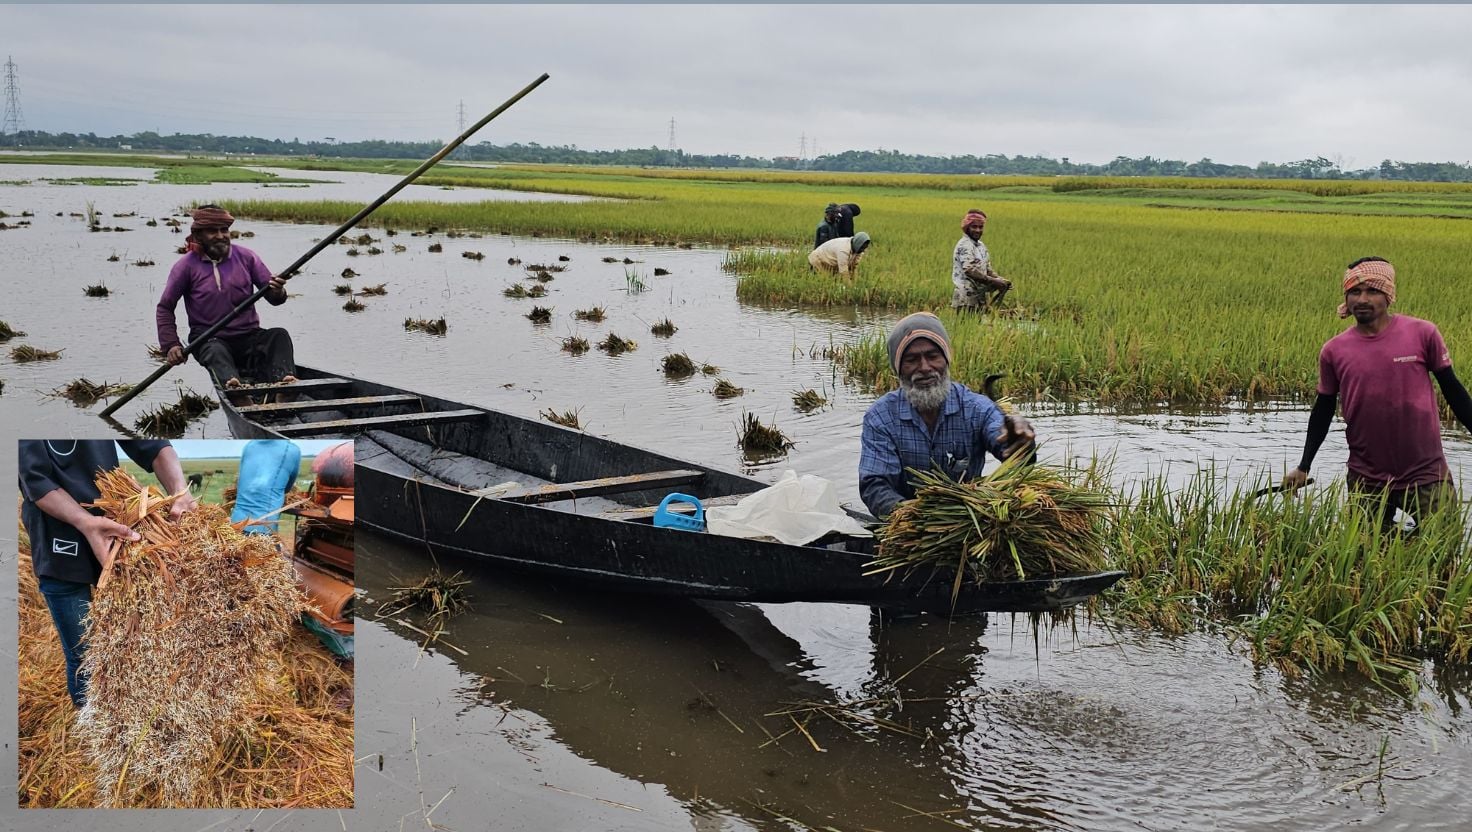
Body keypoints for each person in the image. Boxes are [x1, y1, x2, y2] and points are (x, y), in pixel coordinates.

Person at [1283, 256, 1472, 531]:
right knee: (1364, 560)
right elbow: (1323, 410)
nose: (1362, 299)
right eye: (1354, 292)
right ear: (1346, 298)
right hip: (1366, 479)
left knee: (1441, 559)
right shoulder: (1334, 351)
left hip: (1427, 475)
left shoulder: (1422, 334)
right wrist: (1304, 465)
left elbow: (1454, 391)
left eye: (1372, 291)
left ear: (1389, 295)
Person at [18, 440, 198, 706]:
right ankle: (96, 732)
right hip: (58, 535)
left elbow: (153, 445)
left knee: (134, 643)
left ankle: (133, 713)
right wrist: (86, 523)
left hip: (117, 531)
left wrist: (180, 490)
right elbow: (35, 478)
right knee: (85, 654)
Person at [859, 312, 1036, 518]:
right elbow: (875, 485)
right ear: (898, 369)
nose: (925, 368)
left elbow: (1011, 452)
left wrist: (1021, 442)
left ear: (946, 359)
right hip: (905, 530)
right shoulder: (880, 417)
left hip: (968, 523)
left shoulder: (976, 408)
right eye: (911, 360)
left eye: (933, 356)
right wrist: (909, 518)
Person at [156, 204, 297, 389]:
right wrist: (171, 345)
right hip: (208, 339)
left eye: (224, 230)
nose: (221, 236)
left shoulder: (246, 257)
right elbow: (165, 307)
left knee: (279, 335)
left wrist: (278, 291)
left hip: (248, 336)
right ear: (199, 235)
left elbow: (274, 298)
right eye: (213, 231)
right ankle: (236, 390)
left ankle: (284, 384)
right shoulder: (186, 266)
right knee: (215, 351)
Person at [231, 439, 303, 535]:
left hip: (235, 523)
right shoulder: (291, 449)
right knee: (274, 548)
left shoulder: (249, 445)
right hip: (262, 527)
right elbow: (287, 488)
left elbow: (242, 480)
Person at [952, 209, 1012, 310]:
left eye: (981, 227)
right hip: (966, 299)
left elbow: (987, 269)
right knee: (966, 325)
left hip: (979, 298)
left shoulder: (980, 246)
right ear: (967, 227)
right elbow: (969, 270)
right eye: (974, 226)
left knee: (976, 324)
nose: (978, 230)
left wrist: (1001, 280)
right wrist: (994, 282)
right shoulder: (965, 245)